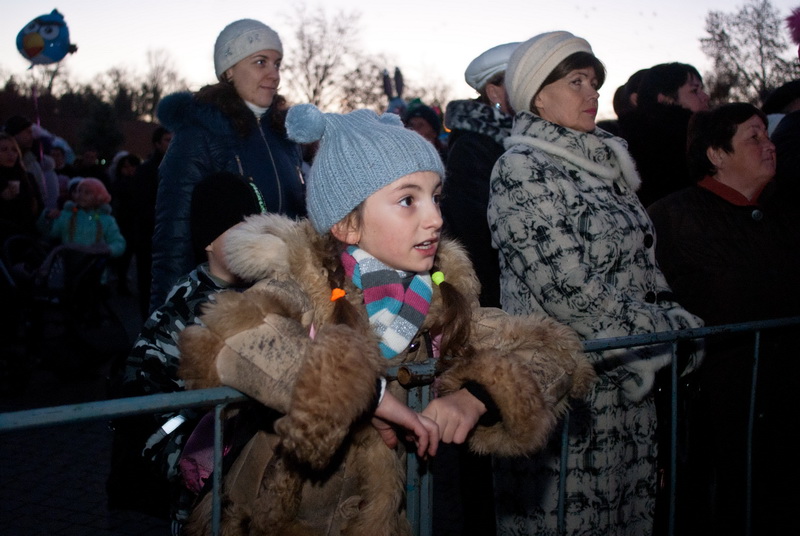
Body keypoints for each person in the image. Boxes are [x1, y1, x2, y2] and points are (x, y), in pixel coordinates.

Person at [176, 104, 596, 535]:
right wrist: (363, 393)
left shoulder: (439, 300)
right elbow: (232, 337)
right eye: (408, 200)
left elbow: (556, 351)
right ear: (347, 225)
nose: (434, 218)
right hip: (274, 518)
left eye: (436, 197)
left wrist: (478, 396)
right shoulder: (304, 284)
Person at [487, 31, 703, 536]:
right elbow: (569, 292)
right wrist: (662, 339)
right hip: (568, 391)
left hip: (629, 387)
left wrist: (674, 318)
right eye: (576, 81)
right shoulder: (519, 169)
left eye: (595, 82)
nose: (592, 93)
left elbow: (646, 263)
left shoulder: (605, 165)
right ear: (537, 94)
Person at [647, 103, 800, 536]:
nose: (769, 146)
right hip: (715, 409)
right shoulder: (673, 218)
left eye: (767, 135)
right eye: (753, 137)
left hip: (785, 400)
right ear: (716, 153)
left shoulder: (788, 212)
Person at [109, 170, 267, 534]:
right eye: (242, 228)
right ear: (210, 241)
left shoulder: (265, 295)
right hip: (201, 499)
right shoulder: (181, 311)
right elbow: (140, 400)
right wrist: (190, 457)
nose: (256, 239)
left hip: (252, 488)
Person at [151, 18, 306, 313]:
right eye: (261, 62)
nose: (274, 74)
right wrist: (167, 321)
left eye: (277, 63)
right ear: (229, 70)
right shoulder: (198, 133)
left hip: (292, 301)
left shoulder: (287, 137)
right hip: (229, 307)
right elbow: (174, 236)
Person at [436, 41, 518, 536]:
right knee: (482, 461)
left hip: (498, 310)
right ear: (494, 90)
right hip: (486, 313)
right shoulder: (474, 150)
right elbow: (464, 242)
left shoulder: (509, 142)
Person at [619, 62, 711, 208]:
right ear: (665, 98)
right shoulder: (676, 144)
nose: (705, 97)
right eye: (694, 91)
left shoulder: (631, 140)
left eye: (702, 89)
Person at [133, 126, 172, 318]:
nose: (171, 144)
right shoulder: (146, 170)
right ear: (157, 144)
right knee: (149, 287)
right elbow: (141, 205)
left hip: (170, 237)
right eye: (167, 140)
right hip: (149, 237)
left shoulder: (179, 167)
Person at [38, 177, 126, 258]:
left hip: (94, 267)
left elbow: (118, 242)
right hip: (69, 265)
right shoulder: (67, 215)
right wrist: (47, 218)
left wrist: (108, 249)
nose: (81, 195)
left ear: (98, 196)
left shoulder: (105, 219)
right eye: (79, 191)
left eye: (87, 193)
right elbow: (51, 233)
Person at [109, 152, 142, 295]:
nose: (129, 170)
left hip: (134, 223)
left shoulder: (138, 182)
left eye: (131, 166)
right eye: (125, 167)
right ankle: (122, 283)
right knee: (125, 256)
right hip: (125, 223)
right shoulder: (120, 184)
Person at [0, 132, 42, 244]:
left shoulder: (27, 178)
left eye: (14, 150)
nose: (10, 154)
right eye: (4, 150)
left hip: (26, 239)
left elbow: (39, 207)